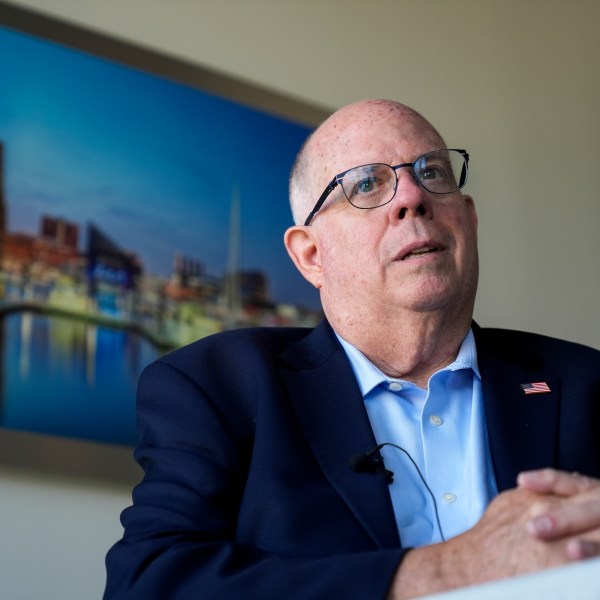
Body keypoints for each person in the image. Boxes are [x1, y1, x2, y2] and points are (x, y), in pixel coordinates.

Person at [104, 99, 600, 599]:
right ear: (311, 255)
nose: (412, 196)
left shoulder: (587, 385)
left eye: (432, 171)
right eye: (367, 184)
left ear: (468, 221)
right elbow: (148, 584)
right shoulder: (219, 385)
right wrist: (450, 570)